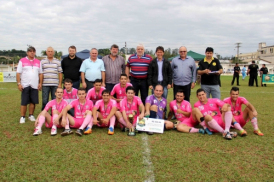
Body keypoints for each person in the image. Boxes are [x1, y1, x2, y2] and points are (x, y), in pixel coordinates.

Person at [16, 46, 43, 123]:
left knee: (33, 102)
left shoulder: (38, 62)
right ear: (27, 52)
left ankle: (31, 115)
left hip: (34, 85)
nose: (32, 53)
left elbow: (40, 74)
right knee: (24, 102)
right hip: (25, 85)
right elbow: (18, 73)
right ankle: (22, 117)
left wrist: (40, 83)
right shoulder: (22, 61)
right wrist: (19, 83)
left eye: (33, 51)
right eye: (30, 51)